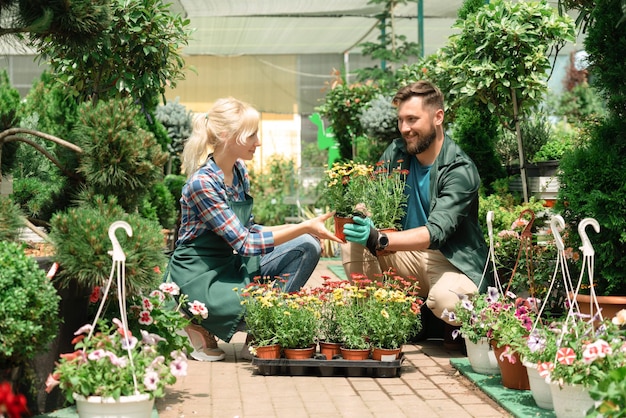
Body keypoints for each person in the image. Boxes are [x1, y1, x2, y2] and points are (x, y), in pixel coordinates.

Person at [165, 97, 342, 361]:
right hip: (201, 277)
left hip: (229, 264)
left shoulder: (238, 171)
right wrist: (303, 225)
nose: (258, 142)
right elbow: (245, 244)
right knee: (304, 237)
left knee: (307, 246)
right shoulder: (202, 184)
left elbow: (250, 229)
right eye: (252, 135)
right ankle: (196, 316)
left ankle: (261, 330)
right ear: (227, 136)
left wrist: (304, 229)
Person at [342, 80, 490, 342]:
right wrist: (360, 212)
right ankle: (381, 323)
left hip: (449, 260)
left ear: (438, 117)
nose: (404, 129)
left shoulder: (459, 169)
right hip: (405, 254)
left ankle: (449, 321)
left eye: (412, 119)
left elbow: (436, 232)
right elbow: (373, 196)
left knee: (448, 301)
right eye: (401, 120)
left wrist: (380, 238)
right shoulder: (397, 153)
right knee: (351, 245)